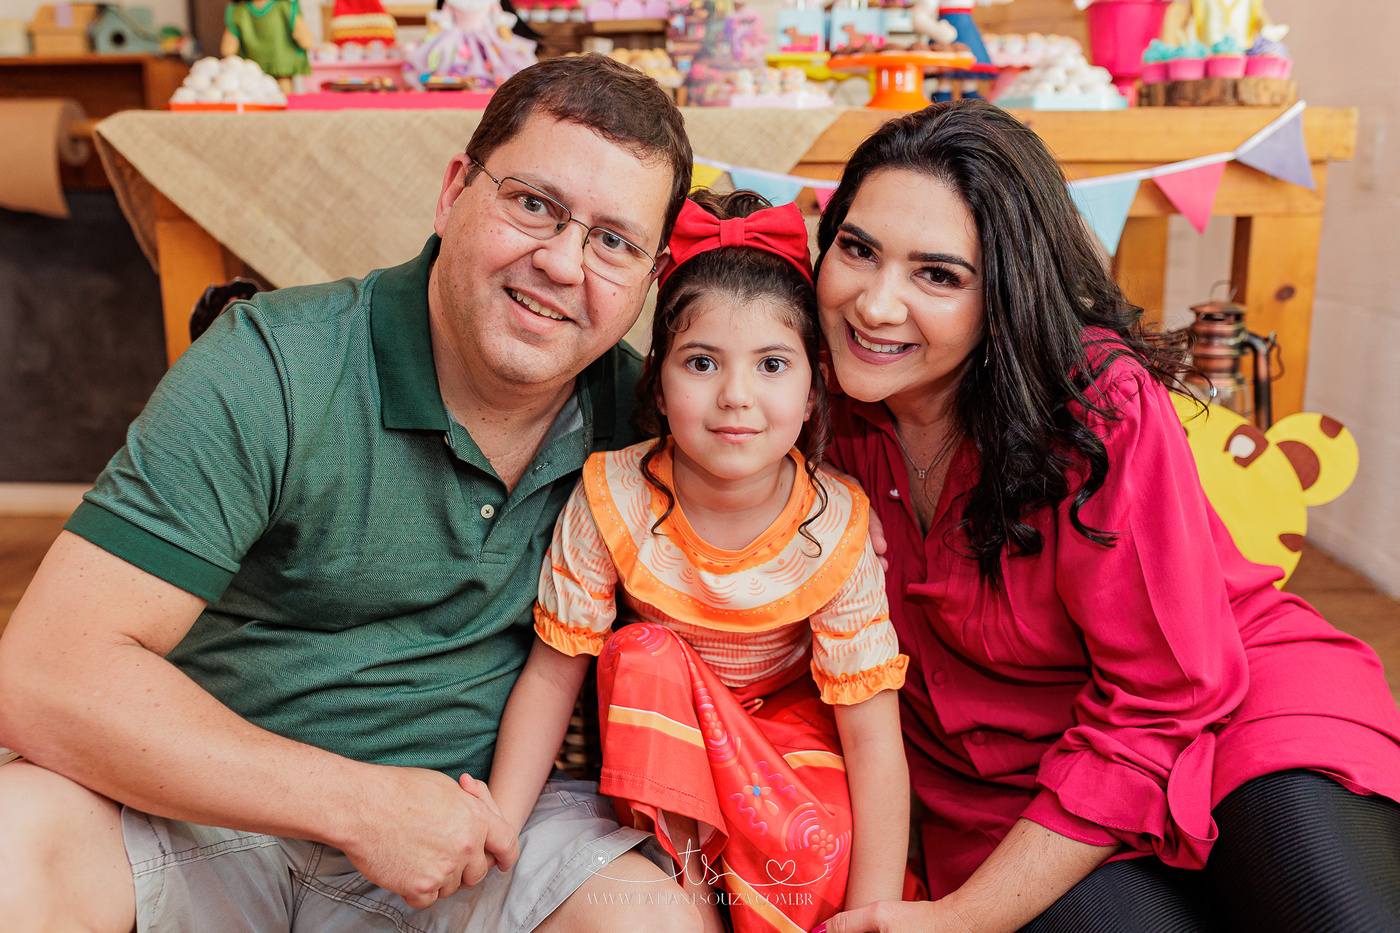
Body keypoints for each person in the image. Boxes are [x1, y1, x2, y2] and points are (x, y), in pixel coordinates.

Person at [0, 55, 707, 933]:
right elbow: (41, 673)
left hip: (480, 836)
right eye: (533, 204)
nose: (563, 263)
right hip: (206, 817)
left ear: (651, 274)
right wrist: (357, 805)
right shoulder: (275, 365)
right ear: (453, 193)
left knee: (653, 920)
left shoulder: (647, 423)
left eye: (614, 242)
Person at [810, 99, 1400, 933]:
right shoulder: (794, 382)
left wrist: (967, 917)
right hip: (1007, 786)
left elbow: (1167, 694)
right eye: (857, 249)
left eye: (937, 275)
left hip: (1225, 696)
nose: (873, 304)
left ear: (1006, 294)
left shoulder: (1095, 401)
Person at [487, 191, 911, 933]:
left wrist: (871, 918)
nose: (735, 397)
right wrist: (497, 824)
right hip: (666, 755)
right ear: (657, 381)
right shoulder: (614, 497)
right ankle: (690, 903)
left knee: (821, 841)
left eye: (772, 364)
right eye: (702, 362)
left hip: (786, 766)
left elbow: (873, 740)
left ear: (814, 389)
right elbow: (553, 677)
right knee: (643, 652)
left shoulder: (835, 527)